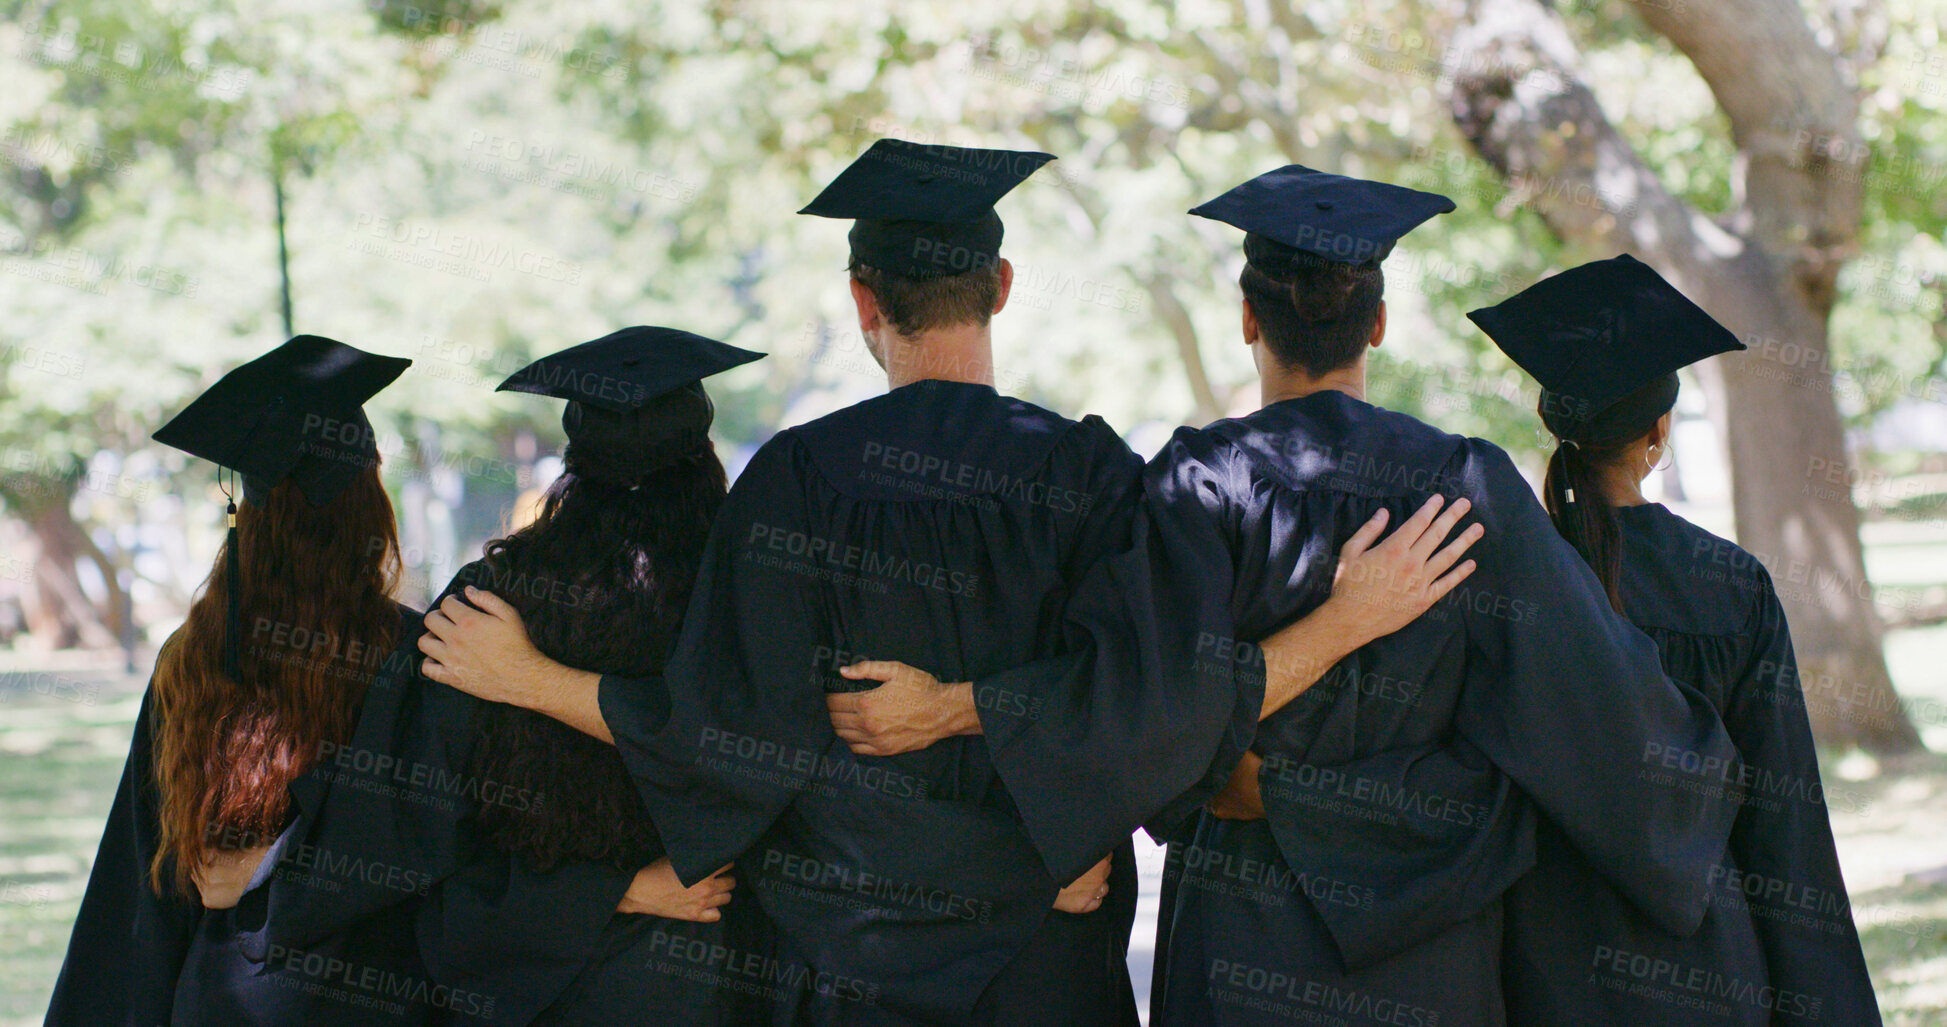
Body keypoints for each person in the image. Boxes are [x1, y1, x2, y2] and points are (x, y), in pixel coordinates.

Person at [413, 140, 1470, 1026]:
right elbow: (1146, 704)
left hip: (848, 955)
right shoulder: (1095, 473)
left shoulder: (793, 479)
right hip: (1050, 946)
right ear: (1000, 287)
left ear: (865, 299)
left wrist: (530, 676)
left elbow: (727, 736)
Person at [833, 167, 1748, 1027]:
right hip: (1428, 947)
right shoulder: (1465, 485)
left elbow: (1136, 706)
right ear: (1378, 324)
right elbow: (1605, 724)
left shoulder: (1195, 484)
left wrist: (963, 711)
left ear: (1245, 318)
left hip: (1240, 938)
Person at [264, 327, 773, 1025]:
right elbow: (768, 767)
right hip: (717, 973)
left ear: (573, 463)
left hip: (536, 985)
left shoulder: (487, 605)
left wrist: (278, 887)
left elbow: (406, 825)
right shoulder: (754, 593)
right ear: (704, 451)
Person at [1471, 254, 1883, 1026]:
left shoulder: (1500, 585)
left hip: (1543, 968)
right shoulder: (1729, 584)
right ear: (1657, 432)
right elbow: (1781, 826)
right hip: (1708, 965)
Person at [48, 336, 432, 1026]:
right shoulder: (414, 650)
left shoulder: (192, 655)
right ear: (369, 509)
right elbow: (428, 837)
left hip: (222, 995)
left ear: (249, 515)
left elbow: (143, 884)